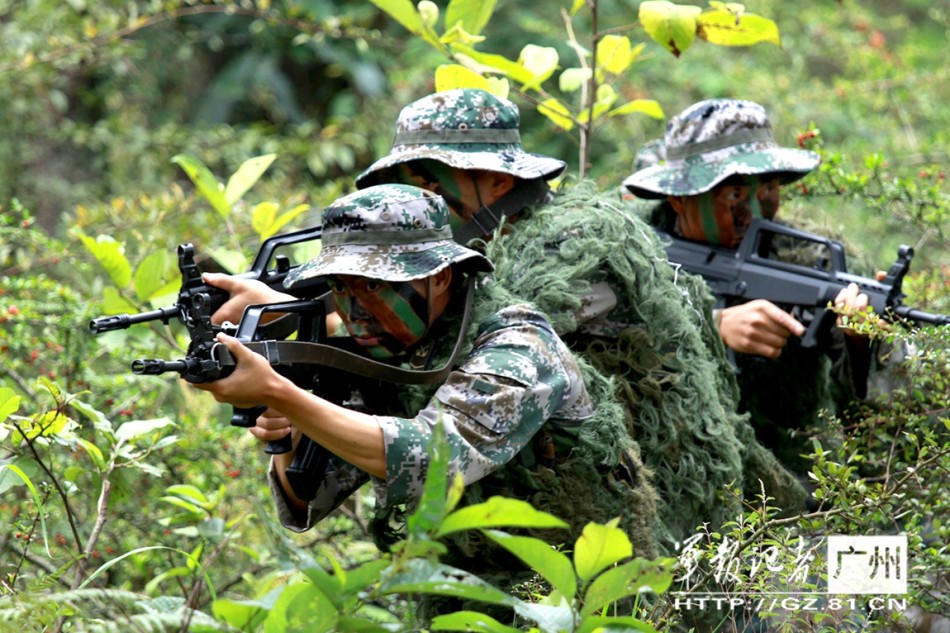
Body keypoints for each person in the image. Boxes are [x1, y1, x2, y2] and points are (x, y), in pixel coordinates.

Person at [355, 88, 807, 547]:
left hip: (670, 520)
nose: (420, 206)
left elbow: (477, 342)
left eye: (432, 188)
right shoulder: (485, 251)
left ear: (498, 183)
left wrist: (349, 321)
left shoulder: (575, 240)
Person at [195, 183, 658, 584]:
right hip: (469, 593)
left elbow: (435, 461)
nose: (354, 311)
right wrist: (287, 434)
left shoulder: (519, 343)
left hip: (589, 592)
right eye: (341, 286)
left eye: (374, 287)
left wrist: (280, 393)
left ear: (439, 277)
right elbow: (310, 497)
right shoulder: (381, 356)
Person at [623, 98, 881, 476]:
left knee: (892, 538)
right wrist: (713, 326)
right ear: (679, 198)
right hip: (665, 477)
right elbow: (592, 344)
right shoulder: (627, 249)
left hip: (793, 484)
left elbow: (871, 411)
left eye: (768, 191)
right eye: (734, 196)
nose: (755, 215)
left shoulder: (809, 260)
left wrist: (862, 342)